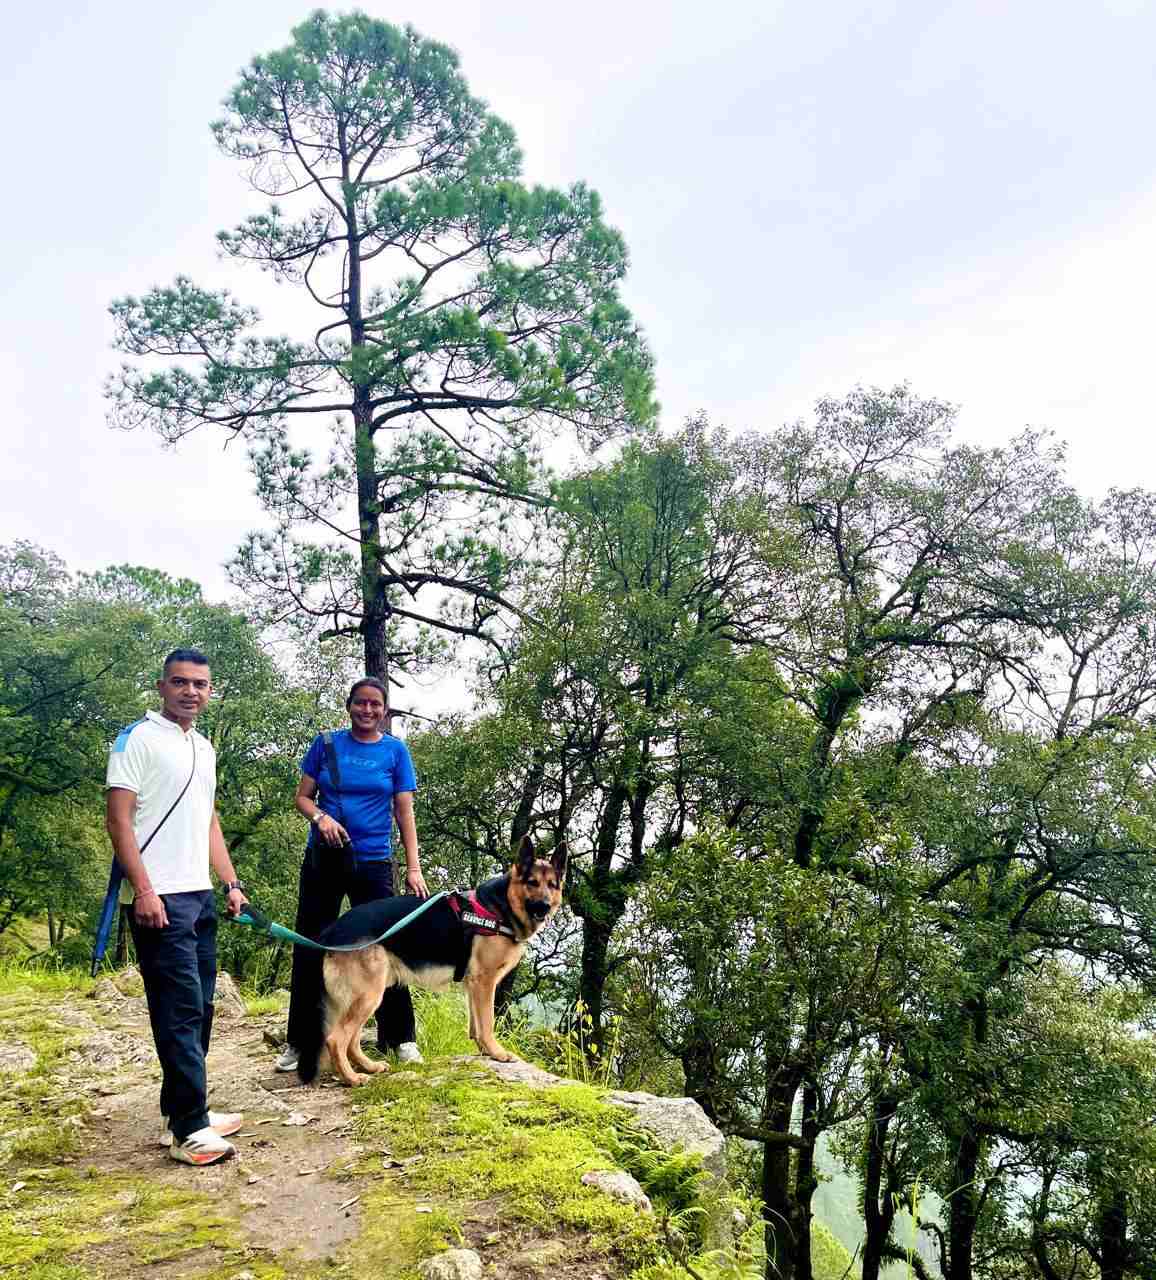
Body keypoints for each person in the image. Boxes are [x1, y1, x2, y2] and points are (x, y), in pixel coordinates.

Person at [105, 648, 249, 1167]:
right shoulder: (136, 740)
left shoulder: (204, 748)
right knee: (178, 1009)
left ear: (211, 692)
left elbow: (208, 821)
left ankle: (183, 1111)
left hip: (199, 892)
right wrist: (143, 890)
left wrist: (231, 882)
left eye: (201, 685)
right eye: (181, 683)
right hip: (158, 896)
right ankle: (190, 1129)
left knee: (202, 1005)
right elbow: (119, 820)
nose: (191, 692)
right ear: (161, 686)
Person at [277, 676, 428, 1073]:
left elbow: (404, 811)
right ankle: (301, 1041)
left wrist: (413, 867)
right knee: (311, 944)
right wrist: (320, 817)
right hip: (323, 861)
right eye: (360, 703)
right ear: (349, 706)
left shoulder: (395, 752)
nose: (367, 710)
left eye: (375, 705)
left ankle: (399, 1038)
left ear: (384, 710)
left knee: (387, 948)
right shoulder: (326, 745)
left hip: (374, 862)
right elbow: (302, 797)